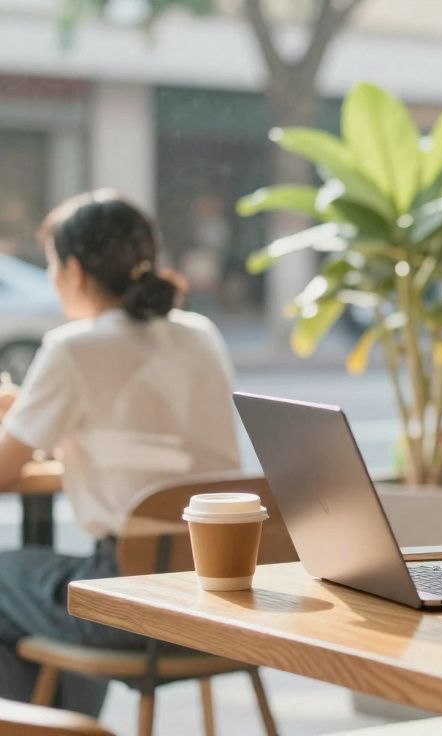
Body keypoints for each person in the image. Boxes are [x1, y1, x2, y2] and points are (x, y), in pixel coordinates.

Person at [0, 190, 240, 715]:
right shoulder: (201, 335)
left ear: (76, 272)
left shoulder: (73, 347)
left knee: (9, 581)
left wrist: (10, 419)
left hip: (132, 607)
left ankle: (46, 728)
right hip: (219, 603)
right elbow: (162, 453)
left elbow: (3, 470)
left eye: (51, 265)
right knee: (63, 588)